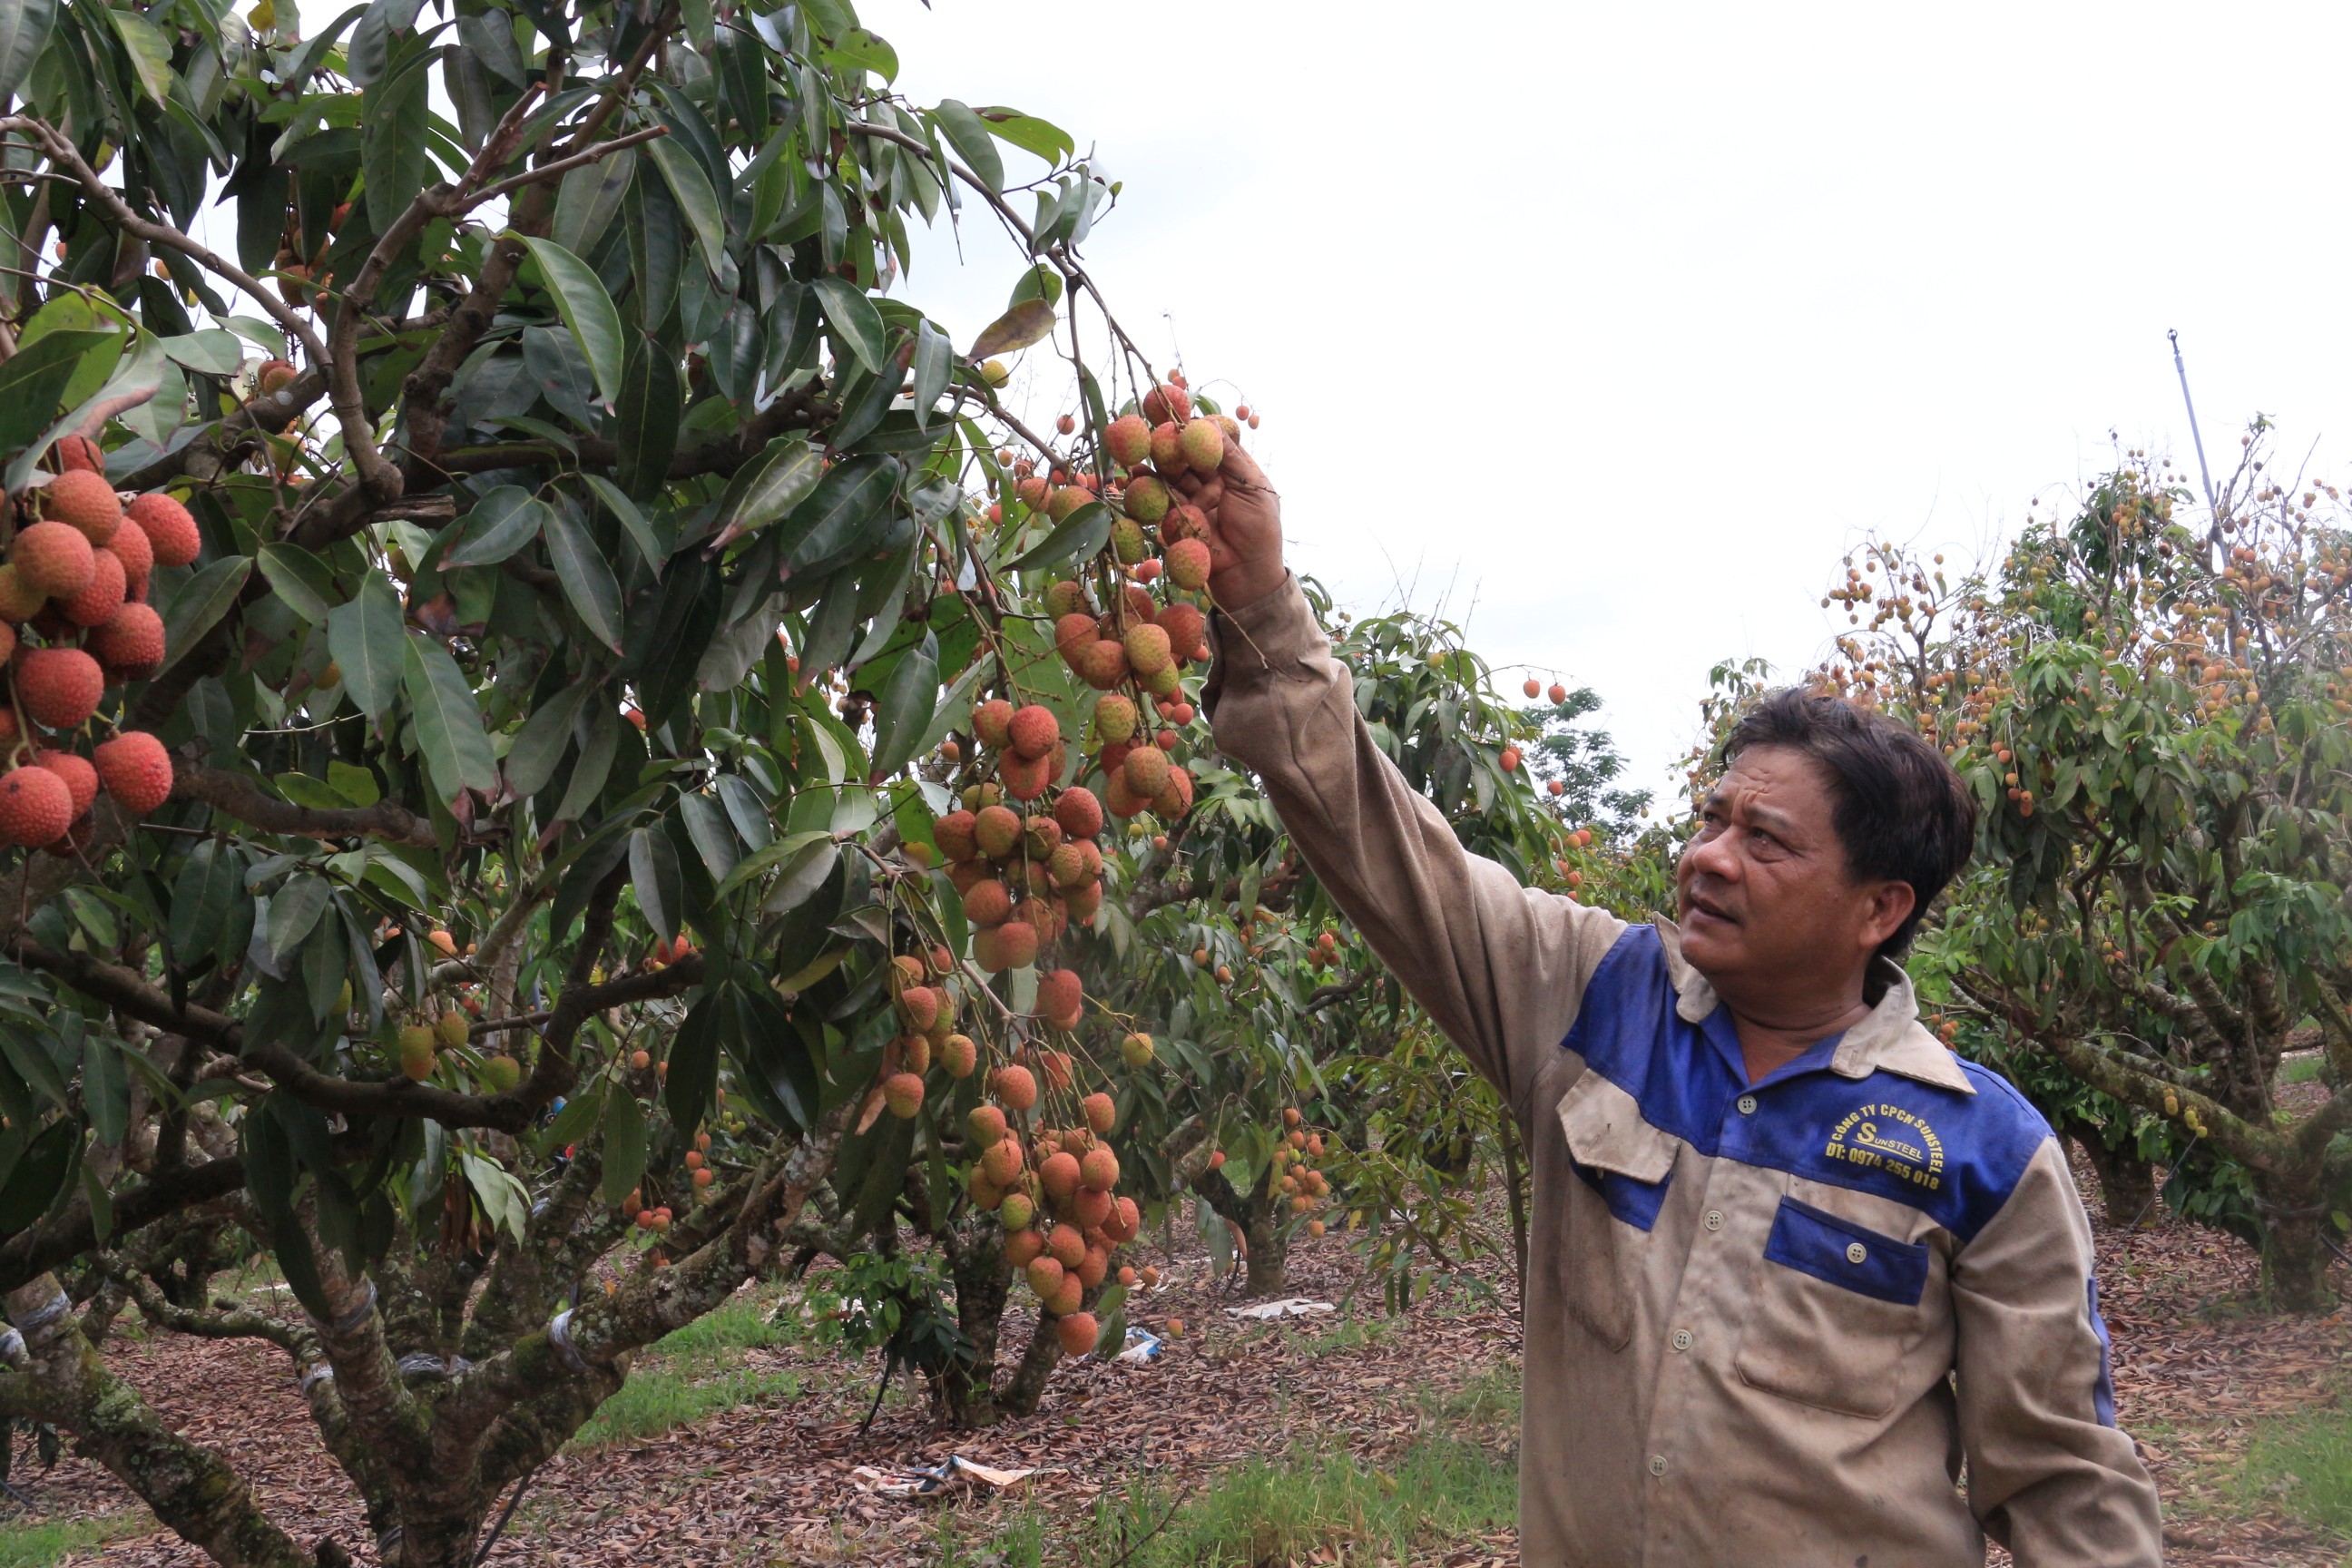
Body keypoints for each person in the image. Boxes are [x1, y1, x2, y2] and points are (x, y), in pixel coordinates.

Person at [1181, 436, 2163, 1567]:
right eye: (1711, 819)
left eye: (1766, 840)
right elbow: (1376, 835)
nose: (1708, 858)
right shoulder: (1593, 998)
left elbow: (2066, 1487)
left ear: (1878, 908)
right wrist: (1258, 600)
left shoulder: (1983, 1151)